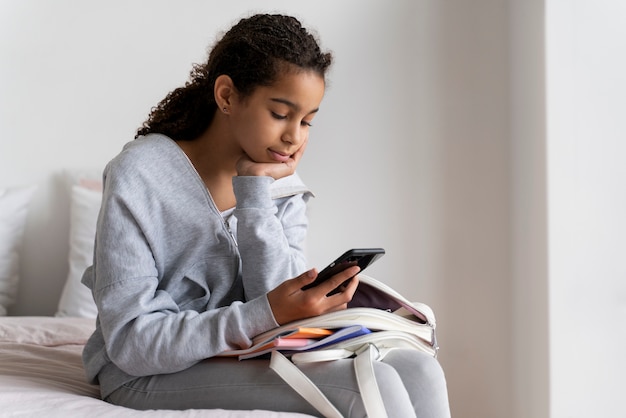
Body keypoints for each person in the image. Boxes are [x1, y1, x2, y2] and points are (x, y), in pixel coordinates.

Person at [81, 13, 451, 418]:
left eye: (307, 121)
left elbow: (276, 310)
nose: (295, 137)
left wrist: (257, 194)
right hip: (144, 373)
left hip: (242, 356)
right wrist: (268, 312)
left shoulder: (280, 183)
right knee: (371, 386)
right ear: (226, 96)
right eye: (280, 114)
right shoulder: (140, 174)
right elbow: (131, 343)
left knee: (420, 371)